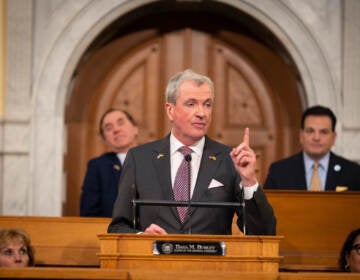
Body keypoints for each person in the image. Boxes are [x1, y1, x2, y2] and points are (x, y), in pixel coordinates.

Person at [108, 69, 276, 235]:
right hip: (157, 260)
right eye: (191, 104)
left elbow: (264, 232)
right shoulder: (139, 159)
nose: (202, 113)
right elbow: (117, 228)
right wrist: (142, 238)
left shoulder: (229, 160)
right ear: (170, 110)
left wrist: (249, 181)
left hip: (211, 262)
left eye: (207, 104)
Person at [264, 105, 360, 191]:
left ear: (333, 138)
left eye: (323, 132)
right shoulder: (280, 171)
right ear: (301, 135)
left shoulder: (353, 172)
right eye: (310, 131)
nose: (316, 138)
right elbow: (266, 209)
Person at [80, 108, 139, 217]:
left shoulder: (156, 161)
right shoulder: (97, 166)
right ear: (104, 139)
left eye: (121, 123)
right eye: (109, 128)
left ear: (135, 129)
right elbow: (89, 213)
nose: (116, 130)